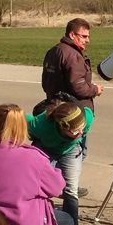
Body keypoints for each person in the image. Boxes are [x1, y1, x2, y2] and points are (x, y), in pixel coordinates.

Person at [41, 18, 104, 187]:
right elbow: (79, 88)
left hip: (55, 109)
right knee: (78, 152)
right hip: (74, 114)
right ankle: (64, 186)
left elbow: (45, 83)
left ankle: (54, 183)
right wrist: (95, 90)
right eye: (83, 36)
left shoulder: (53, 51)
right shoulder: (73, 56)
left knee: (55, 150)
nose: (87, 40)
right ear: (72, 35)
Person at [26, 101, 93, 225]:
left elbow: (86, 120)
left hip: (70, 151)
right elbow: (18, 117)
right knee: (42, 192)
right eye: (75, 131)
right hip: (46, 149)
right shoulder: (41, 125)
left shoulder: (86, 118)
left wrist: (80, 143)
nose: (81, 132)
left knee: (71, 191)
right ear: (62, 127)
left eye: (82, 127)